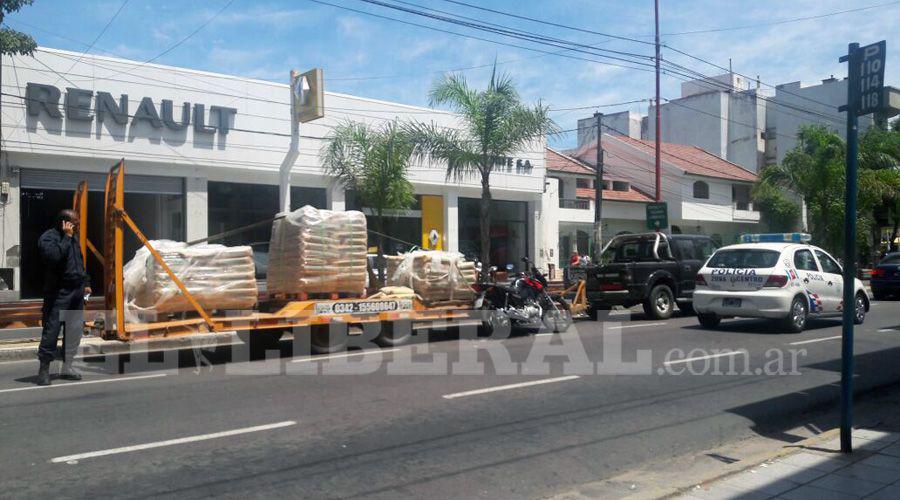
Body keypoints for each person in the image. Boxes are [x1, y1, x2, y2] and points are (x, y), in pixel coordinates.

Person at [36, 209, 91, 386]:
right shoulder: (49, 238)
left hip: (76, 291)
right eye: (74, 222)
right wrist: (67, 237)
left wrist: (86, 282)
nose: (77, 225)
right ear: (65, 223)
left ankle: (67, 367)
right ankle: (44, 370)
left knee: (74, 331)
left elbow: (79, 261)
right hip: (59, 293)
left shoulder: (73, 238)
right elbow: (53, 258)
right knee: (52, 331)